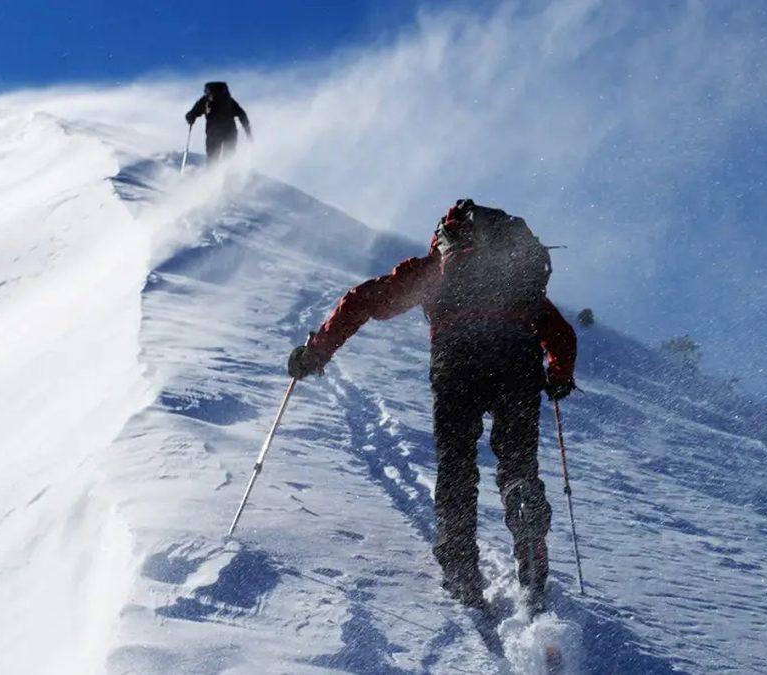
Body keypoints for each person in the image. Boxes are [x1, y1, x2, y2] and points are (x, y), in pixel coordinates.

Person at [287, 199, 577, 613]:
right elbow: (562, 334)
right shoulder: (515, 279)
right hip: (517, 358)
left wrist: (316, 352)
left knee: (456, 462)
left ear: (446, 236)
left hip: (456, 359)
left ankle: (460, 566)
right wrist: (560, 375)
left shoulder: (436, 269)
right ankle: (525, 512)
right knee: (517, 461)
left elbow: (364, 300)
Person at [184, 82, 251, 162]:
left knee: (215, 156)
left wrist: (190, 117)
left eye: (207, 91)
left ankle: (215, 171)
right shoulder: (227, 101)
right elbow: (242, 115)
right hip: (226, 132)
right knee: (227, 155)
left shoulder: (207, 101)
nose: (206, 93)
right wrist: (247, 130)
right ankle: (225, 171)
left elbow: (193, 112)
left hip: (216, 132)